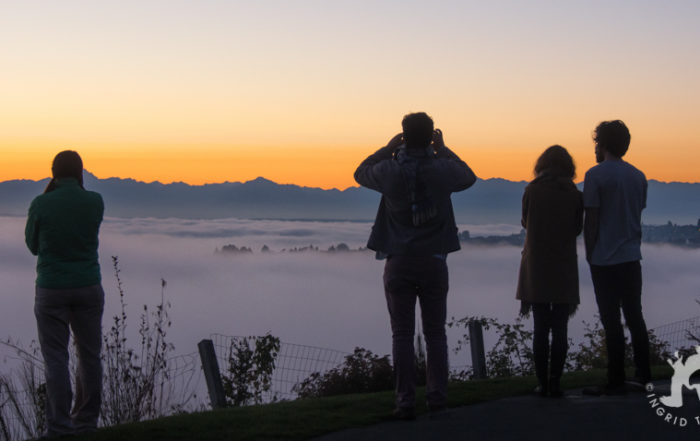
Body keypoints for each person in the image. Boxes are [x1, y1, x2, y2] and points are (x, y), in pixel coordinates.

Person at [354, 112, 476, 419]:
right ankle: (437, 398)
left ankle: (405, 401)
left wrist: (386, 148)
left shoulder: (390, 171)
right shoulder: (443, 169)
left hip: (398, 261)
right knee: (436, 333)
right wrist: (444, 148)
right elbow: (468, 176)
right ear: (431, 135)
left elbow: (360, 172)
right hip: (434, 260)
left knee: (402, 335)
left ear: (404, 135)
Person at [25, 151, 105, 437]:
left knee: (56, 359)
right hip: (88, 286)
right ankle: (86, 422)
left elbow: (33, 245)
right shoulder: (95, 202)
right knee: (90, 356)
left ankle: (59, 427)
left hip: (51, 289)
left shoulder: (41, 204)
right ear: (80, 172)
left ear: (53, 172)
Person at [583, 120, 650, 395]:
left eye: (597, 143)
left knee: (610, 319)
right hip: (632, 257)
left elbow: (592, 219)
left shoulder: (596, 175)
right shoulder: (638, 176)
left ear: (604, 144)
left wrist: (589, 253)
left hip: (604, 259)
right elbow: (637, 211)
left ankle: (616, 378)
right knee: (635, 316)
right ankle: (644, 375)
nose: (595, 148)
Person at [516, 145, 583, 398]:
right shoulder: (575, 195)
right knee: (561, 328)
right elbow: (578, 228)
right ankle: (556, 381)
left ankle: (542, 382)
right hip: (564, 264)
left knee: (541, 327)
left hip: (537, 266)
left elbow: (525, 221)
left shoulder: (531, 191)